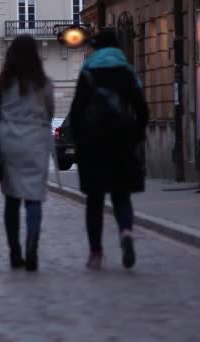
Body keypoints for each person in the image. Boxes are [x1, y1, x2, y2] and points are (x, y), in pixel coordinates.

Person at [68, 29, 149, 270]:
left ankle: (95, 252)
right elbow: (142, 109)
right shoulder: (126, 72)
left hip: (93, 144)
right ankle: (125, 231)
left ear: (96, 48)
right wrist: (135, 135)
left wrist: (79, 141)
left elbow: (77, 111)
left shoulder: (88, 72)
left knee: (94, 200)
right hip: (121, 141)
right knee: (121, 195)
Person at [0, 35, 55, 272]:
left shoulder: (3, 82)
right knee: (34, 198)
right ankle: (33, 245)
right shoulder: (44, 83)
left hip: (10, 142)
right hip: (36, 143)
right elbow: (50, 112)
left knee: (12, 198)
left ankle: (14, 251)